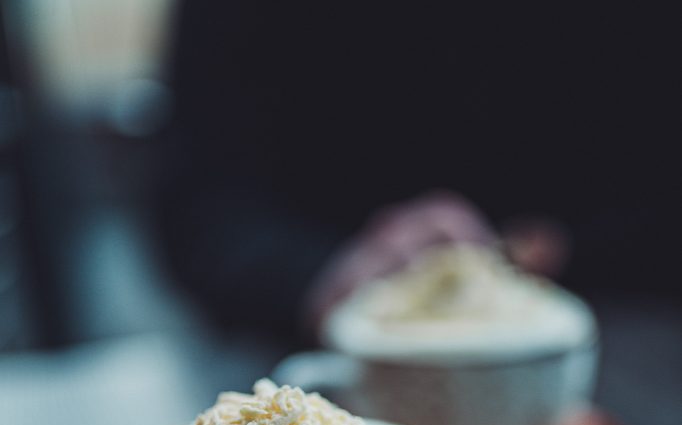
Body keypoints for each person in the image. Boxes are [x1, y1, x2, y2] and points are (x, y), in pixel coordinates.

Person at [156, 2, 678, 342]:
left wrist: (564, 246)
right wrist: (319, 274)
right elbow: (197, 201)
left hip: (607, 332)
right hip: (331, 345)